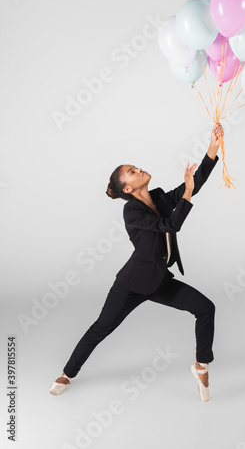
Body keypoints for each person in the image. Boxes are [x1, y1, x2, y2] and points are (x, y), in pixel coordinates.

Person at [49, 122, 224, 401]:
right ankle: (67, 373)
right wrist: (188, 193)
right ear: (127, 188)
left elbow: (194, 184)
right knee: (101, 328)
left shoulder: (158, 197)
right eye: (133, 171)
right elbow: (171, 225)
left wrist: (213, 147)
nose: (139, 169)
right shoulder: (131, 212)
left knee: (205, 308)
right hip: (132, 283)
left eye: (136, 166)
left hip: (158, 280)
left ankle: (201, 366)